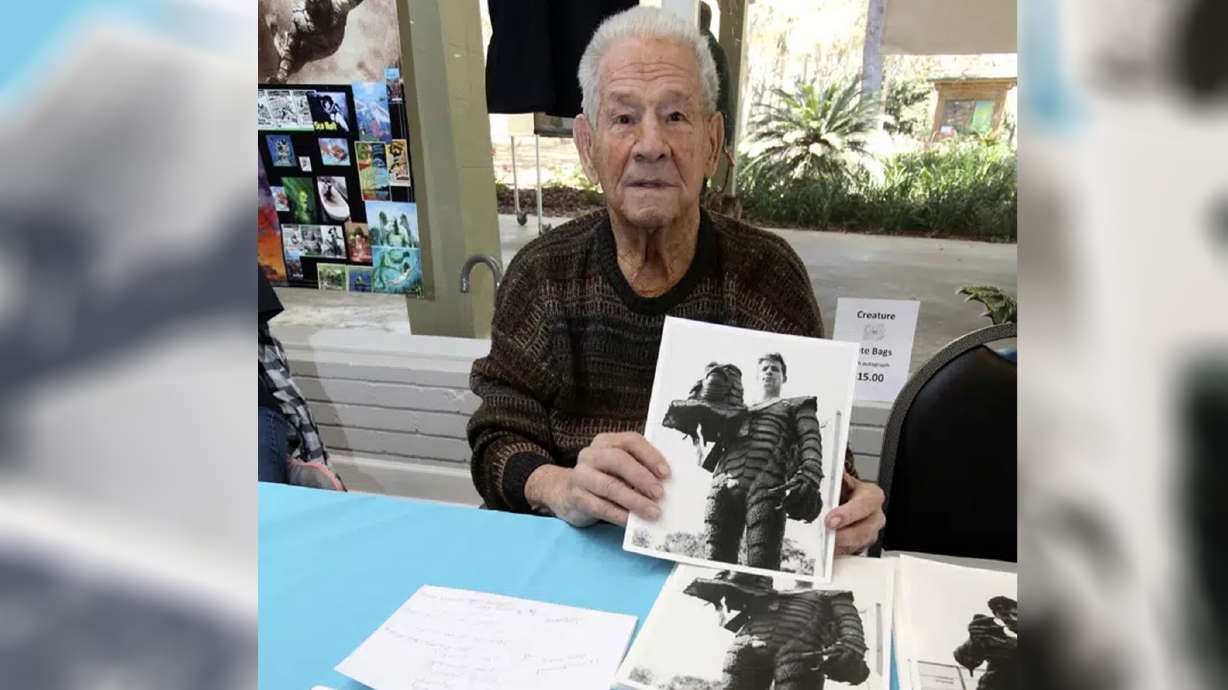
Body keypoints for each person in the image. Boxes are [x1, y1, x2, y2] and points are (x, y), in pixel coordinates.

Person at [467, 6, 885, 555]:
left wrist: (850, 502)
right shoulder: (545, 274)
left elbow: (823, 447)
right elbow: (497, 437)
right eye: (623, 119)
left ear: (712, 144)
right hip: (574, 553)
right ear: (587, 147)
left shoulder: (765, 275)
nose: (650, 145)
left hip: (726, 555)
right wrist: (560, 486)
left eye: (675, 117)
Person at [663, 353, 824, 570]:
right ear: (757, 376)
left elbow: (811, 439)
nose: (769, 371)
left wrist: (811, 472)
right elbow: (705, 427)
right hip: (722, 482)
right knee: (714, 562)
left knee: (761, 564)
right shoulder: (735, 410)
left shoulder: (797, 405)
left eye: (775, 369)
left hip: (767, 484)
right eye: (765, 368)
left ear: (784, 377)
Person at [684, 571, 870, 689]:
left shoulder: (832, 594)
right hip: (747, 646)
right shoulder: (767, 592)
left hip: (800, 652)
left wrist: (851, 646)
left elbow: (849, 621)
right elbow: (729, 598)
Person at [954, 596, 1019, 690]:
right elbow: (964, 658)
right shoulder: (995, 638)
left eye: (1015, 614)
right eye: (1005, 615)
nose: (1011, 618)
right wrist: (974, 641)